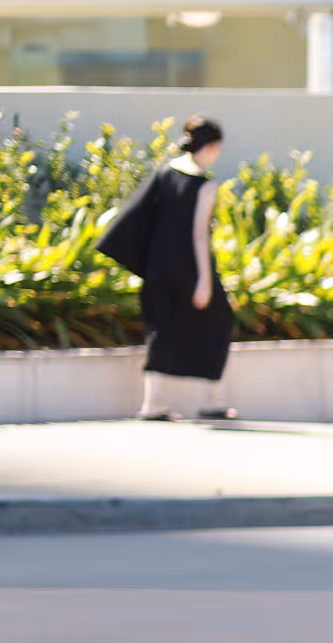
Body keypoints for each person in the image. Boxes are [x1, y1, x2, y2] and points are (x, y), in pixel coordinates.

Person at [100, 115, 237, 421]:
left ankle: (152, 402)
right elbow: (199, 235)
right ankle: (213, 399)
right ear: (212, 146)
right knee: (218, 321)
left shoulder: (164, 173)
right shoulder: (204, 185)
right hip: (189, 269)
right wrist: (204, 281)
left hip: (158, 267)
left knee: (160, 329)